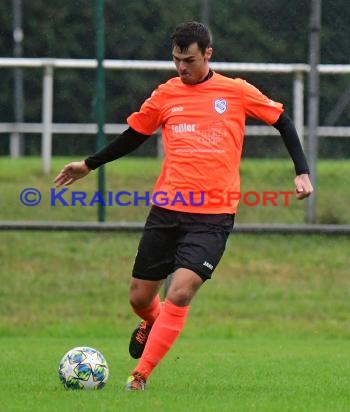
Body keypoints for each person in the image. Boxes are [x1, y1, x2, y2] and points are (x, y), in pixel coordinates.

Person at [54, 21, 313, 391]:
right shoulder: (165, 94)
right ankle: (151, 320)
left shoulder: (235, 91)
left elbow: (282, 122)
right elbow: (134, 136)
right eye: (176, 60)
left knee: (181, 290)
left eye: (188, 60)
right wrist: (88, 164)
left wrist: (301, 172)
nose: (181, 67)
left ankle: (140, 376)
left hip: (213, 216)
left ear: (207, 54)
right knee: (140, 297)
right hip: (167, 210)